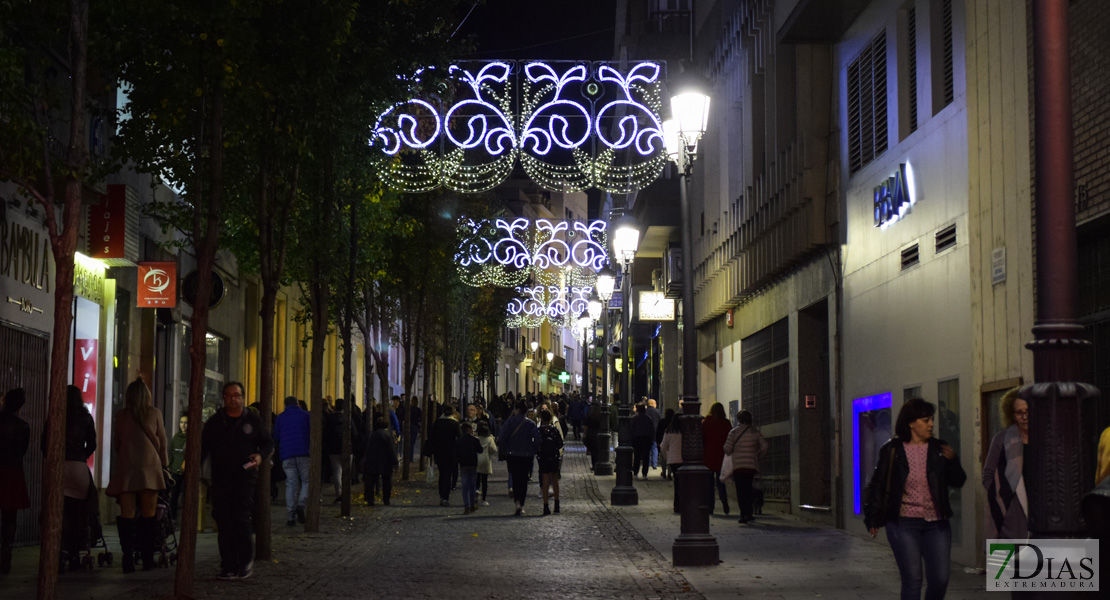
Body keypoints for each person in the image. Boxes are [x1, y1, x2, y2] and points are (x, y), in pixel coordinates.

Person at [864, 398, 966, 600]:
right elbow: (879, 484)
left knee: (940, 578)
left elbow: (958, 480)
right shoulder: (892, 450)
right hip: (903, 523)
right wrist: (873, 518)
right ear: (911, 422)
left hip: (937, 523)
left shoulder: (939, 448)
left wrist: (953, 461)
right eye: (926, 420)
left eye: (932, 420)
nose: (931, 424)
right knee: (912, 579)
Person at [201, 381, 273, 580]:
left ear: (242, 397)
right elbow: (203, 447)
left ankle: (244, 561)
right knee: (223, 521)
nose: (232, 399)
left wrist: (259, 456)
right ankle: (228, 565)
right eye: (228, 395)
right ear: (223, 398)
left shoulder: (252, 420)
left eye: (236, 395)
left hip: (244, 478)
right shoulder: (216, 422)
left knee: (241, 518)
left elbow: (267, 442)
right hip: (221, 478)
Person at [106, 378, 168, 573]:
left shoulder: (121, 416)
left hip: (127, 470)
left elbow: (118, 443)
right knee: (149, 515)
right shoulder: (155, 413)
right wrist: (165, 467)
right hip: (150, 470)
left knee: (127, 516)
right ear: (147, 396)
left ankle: (127, 558)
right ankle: (148, 559)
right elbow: (163, 442)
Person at [52, 385, 97, 573]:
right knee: (78, 514)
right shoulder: (86, 417)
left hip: (59, 467)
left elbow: (45, 441)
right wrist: (81, 456)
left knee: (60, 514)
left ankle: (58, 553)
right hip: (78, 468)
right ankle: (74, 556)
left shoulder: (56, 414)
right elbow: (92, 444)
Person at [982, 388, 1028, 540]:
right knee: (1001, 562)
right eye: (1019, 413)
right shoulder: (1001, 440)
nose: (1024, 417)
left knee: (1033, 562)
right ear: (1012, 415)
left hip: (1036, 510)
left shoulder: (1044, 438)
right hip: (1007, 514)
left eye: (1028, 411)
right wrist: (1000, 496)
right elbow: (987, 474)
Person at [0, 388, 30, 575]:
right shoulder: (23, 427)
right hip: (13, 472)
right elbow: (23, 451)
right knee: (10, 517)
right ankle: (6, 552)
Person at [723, 409, 768, 524]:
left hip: (738, 466)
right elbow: (764, 446)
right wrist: (757, 456)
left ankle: (744, 514)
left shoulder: (733, 432)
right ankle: (749, 512)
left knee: (741, 491)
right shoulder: (755, 432)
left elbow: (727, 449)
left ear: (739, 419)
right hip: (751, 466)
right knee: (748, 489)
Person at [273, 396, 310, 526]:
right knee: (306, 481)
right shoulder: (306, 415)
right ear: (297, 404)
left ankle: (290, 517)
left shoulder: (280, 417)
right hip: (304, 453)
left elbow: (276, 436)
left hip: (287, 454)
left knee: (290, 484)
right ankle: (301, 505)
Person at [497, 402, 538, 516]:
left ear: (518, 410)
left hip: (513, 455)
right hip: (526, 456)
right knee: (524, 480)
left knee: (515, 479)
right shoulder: (530, 423)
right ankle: (522, 503)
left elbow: (502, 437)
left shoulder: (510, 422)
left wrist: (506, 451)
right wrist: (532, 451)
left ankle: (517, 502)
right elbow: (537, 439)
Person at [702, 402, 732, 515]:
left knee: (709, 485)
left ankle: (710, 507)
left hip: (708, 457)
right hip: (722, 457)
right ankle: (724, 502)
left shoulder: (706, 423)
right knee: (721, 482)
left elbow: (702, 438)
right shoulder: (726, 423)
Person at [362, 417, 398, 506]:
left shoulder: (371, 434)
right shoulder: (388, 435)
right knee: (387, 481)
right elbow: (392, 449)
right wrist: (395, 462)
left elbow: (365, 447)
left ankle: (370, 499)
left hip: (372, 460)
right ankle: (386, 499)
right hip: (386, 462)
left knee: (371, 481)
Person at [430, 405, 461, 506]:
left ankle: (441, 495)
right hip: (451, 452)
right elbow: (459, 437)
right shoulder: (454, 423)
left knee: (442, 473)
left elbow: (432, 437)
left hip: (439, 452)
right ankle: (445, 497)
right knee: (448, 475)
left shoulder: (437, 423)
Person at [535, 410, 564, 516]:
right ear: (550, 419)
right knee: (555, 480)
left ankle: (546, 506)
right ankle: (556, 504)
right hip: (554, 457)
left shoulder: (539, 431)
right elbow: (560, 444)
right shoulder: (554, 430)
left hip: (543, 458)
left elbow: (536, 444)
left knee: (545, 480)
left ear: (541, 419)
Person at [456, 422, 483, 514]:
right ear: (469, 429)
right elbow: (480, 450)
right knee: (472, 485)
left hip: (463, 464)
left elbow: (456, 453)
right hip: (473, 464)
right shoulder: (474, 440)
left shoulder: (459, 440)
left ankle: (466, 506)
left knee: (465, 486)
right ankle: (472, 504)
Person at [659, 416, 683, 513]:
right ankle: (684, 504)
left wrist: (667, 457)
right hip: (684, 460)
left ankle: (677, 505)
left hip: (673, 460)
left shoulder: (669, 432)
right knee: (684, 484)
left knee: (677, 483)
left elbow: (663, 447)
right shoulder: (684, 432)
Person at [168, 414, 187, 523]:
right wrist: (169, 465)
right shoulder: (176, 437)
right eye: (181, 422)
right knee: (173, 495)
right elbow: (171, 452)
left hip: (186, 471)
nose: (183, 425)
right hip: (175, 470)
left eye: (186, 423)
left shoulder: (191, 437)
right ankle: (173, 518)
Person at [630, 403, 655, 480]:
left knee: (637, 456)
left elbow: (631, 429)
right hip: (646, 439)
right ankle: (644, 473)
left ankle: (635, 472)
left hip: (637, 439)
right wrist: (651, 440)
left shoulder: (634, 418)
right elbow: (652, 430)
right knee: (646, 457)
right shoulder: (648, 418)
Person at [475, 421, 497, 506]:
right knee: (484, 481)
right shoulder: (489, 438)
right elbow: (494, 449)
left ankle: (476, 490)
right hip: (485, 460)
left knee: (476, 478)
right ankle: (483, 499)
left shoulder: (476, 438)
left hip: (476, 459)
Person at [657, 408, 675, 480]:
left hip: (662, 441)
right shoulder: (673, 423)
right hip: (672, 443)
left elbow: (658, 432)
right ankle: (669, 473)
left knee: (663, 458)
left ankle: (664, 472)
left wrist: (658, 441)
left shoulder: (662, 422)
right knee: (670, 458)